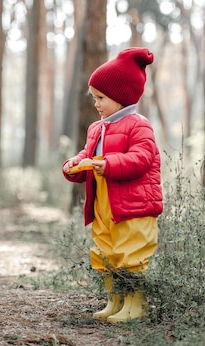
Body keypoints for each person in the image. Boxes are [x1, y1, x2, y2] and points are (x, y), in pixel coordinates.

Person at [62, 47, 163, 323]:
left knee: (131, 254)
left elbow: (143, 158)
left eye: (101, 98)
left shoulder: (138, 126)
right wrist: (73, 165)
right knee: (106, 253)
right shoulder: (97, 128)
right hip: (105, 205)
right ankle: (114, 301)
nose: (96, 103)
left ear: (120, 96)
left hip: (133, 207)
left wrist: (109, 164)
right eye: (94, 97)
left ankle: (135, 304)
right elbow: (87, 155)